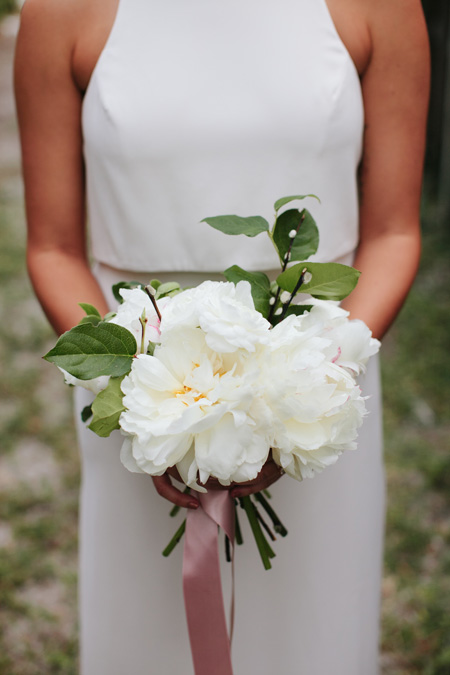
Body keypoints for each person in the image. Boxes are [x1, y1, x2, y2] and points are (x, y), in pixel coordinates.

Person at [14, 0, 429, 673]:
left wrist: (318, 378)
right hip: (147, 397)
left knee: (314, 635)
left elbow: (393, 232)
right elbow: (53, 247)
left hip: (318, 390)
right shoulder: (60, 11)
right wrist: (144, 402)